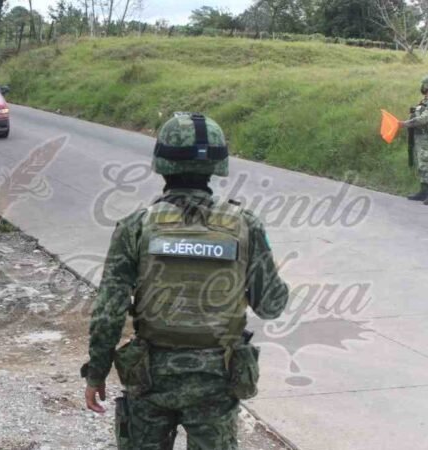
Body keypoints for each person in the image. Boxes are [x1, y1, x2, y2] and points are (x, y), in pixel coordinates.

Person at [82, 112, 290, 449]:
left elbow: (109, 310)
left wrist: (96, 373)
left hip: (150, 377)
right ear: (217, 165)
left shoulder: (136, 226)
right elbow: (271, 305)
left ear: (162, 164)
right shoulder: (245, 225)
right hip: (216, 379)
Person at [400, 75, 428, 204]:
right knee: (422, 165)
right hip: (420, 139)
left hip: (426, 139)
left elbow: (424, 119)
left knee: (427, 165)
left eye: (424, 85)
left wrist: (405, 123)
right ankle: (424, 191)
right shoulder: (425, 101)